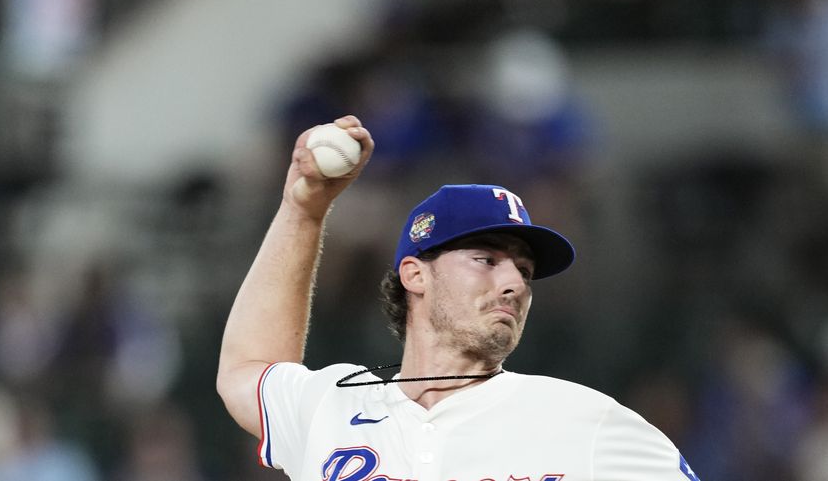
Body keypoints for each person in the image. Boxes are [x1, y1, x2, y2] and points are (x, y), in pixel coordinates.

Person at [217, 115, 702, 481]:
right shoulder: (332, 407)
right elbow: (247, 369)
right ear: (415, 275)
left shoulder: (586, 420)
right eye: (486, 260)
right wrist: (303, 210)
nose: (513, 283)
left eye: (525, 271)